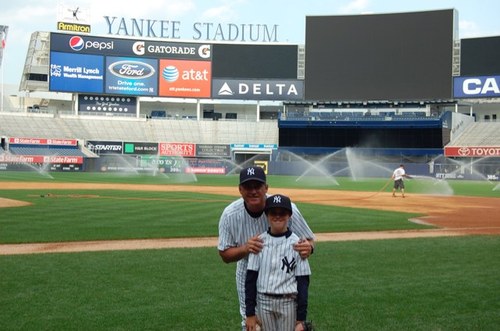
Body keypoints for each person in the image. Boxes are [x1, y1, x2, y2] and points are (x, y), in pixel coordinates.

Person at [218, 166, 315, 330]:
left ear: (266, 188)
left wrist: (309, 248)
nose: (253, 191)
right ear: (240, 189)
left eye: (258, 186)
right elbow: (224, 254)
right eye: (248, 187)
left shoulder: (286, 209)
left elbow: (310, 240)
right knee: (252, 324)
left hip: (284, 275)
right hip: (248, 271)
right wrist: (245, 248)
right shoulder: (230, 215)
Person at [245, 194, 311, 331]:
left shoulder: (298, 245)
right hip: (264, 302)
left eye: (282, 213)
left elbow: (303, 283)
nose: (277, 216)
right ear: (267, 215)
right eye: (273, 212)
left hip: (288, 303)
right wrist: (250, 313)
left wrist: (301, 318)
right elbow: (250, 280)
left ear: (289, 215)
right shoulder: (259, 243)